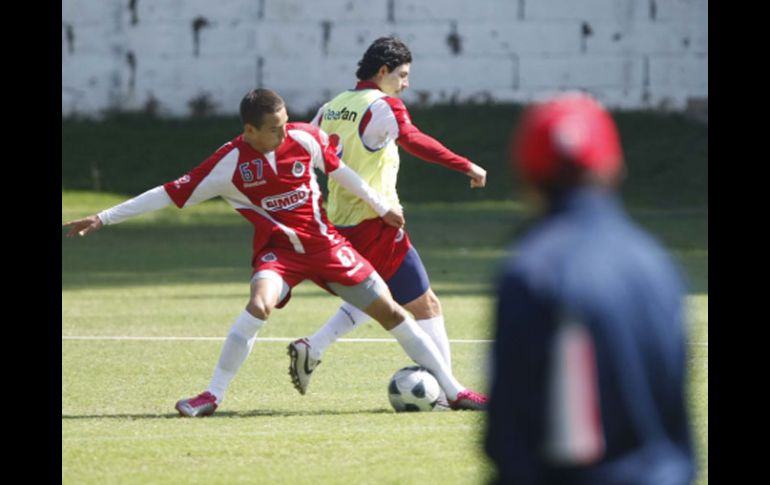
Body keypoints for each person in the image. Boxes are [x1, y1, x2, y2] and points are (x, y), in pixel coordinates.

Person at [62, 88, 487, 416]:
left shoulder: (304, 138)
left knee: (394, 314)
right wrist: (102, 218)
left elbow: (345, 174)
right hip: (279, 253)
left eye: (285, 124)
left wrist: (381, 207)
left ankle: (455, 391)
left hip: (327, 246)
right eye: (274, 128)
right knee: (259, 305)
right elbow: (167, 193)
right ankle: (213, 394)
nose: (285, 133)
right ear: (250, 130)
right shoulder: (228, 163)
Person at [484, 92, 696, 483]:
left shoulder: (531, 270)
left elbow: (511, 438)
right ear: (614, 168)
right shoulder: (657, 263)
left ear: (528, 175)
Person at [287, 37, 488, 401]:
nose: (406, 84)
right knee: (425, 304)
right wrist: (466, 165)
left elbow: (305, 142)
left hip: (341, 220)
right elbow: (412, 140)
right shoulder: (383, 106)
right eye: (402, 75)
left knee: (375, 296)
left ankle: (313, 347)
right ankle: (448, 392)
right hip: (377, 222)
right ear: (383, 72)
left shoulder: (334, 105)